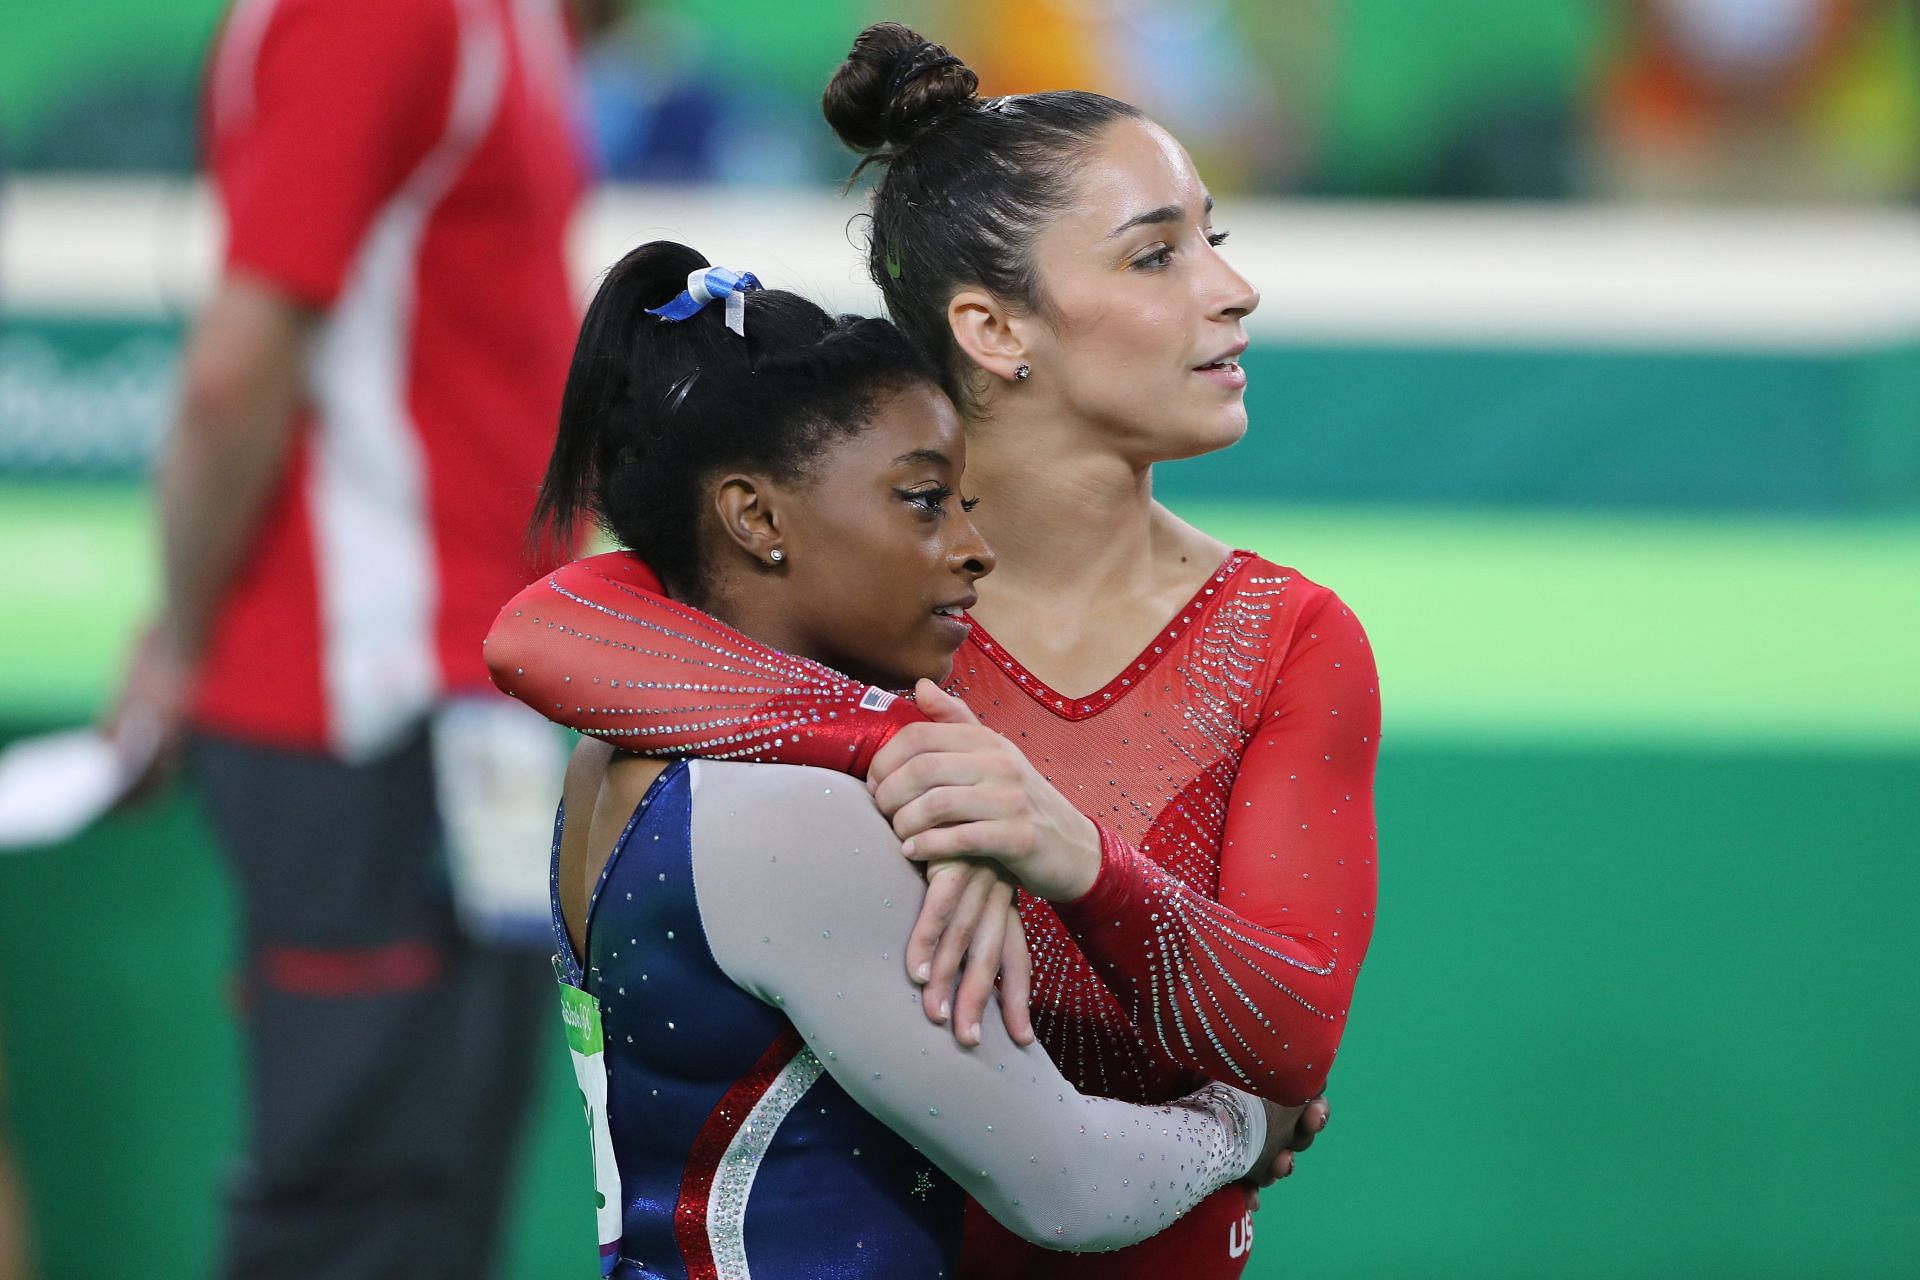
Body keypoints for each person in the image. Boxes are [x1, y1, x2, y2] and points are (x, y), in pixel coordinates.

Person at [489, 21, 1376, 1278]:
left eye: (1214, 241)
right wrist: (896, 731)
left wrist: (1070, 854)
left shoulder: (1288, 636)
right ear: (993, 328)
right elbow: (538, 630)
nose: (1232, 290)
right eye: (1156, 255)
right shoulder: (841, 595)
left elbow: (1289, 1039)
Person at [108, 0, 585, 1274]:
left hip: (470, 701)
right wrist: (177, 639)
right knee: (355, 1216)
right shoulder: (370, 13)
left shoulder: (500, 22)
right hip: (357, 707)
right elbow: (234, 370)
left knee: (434, 1202)